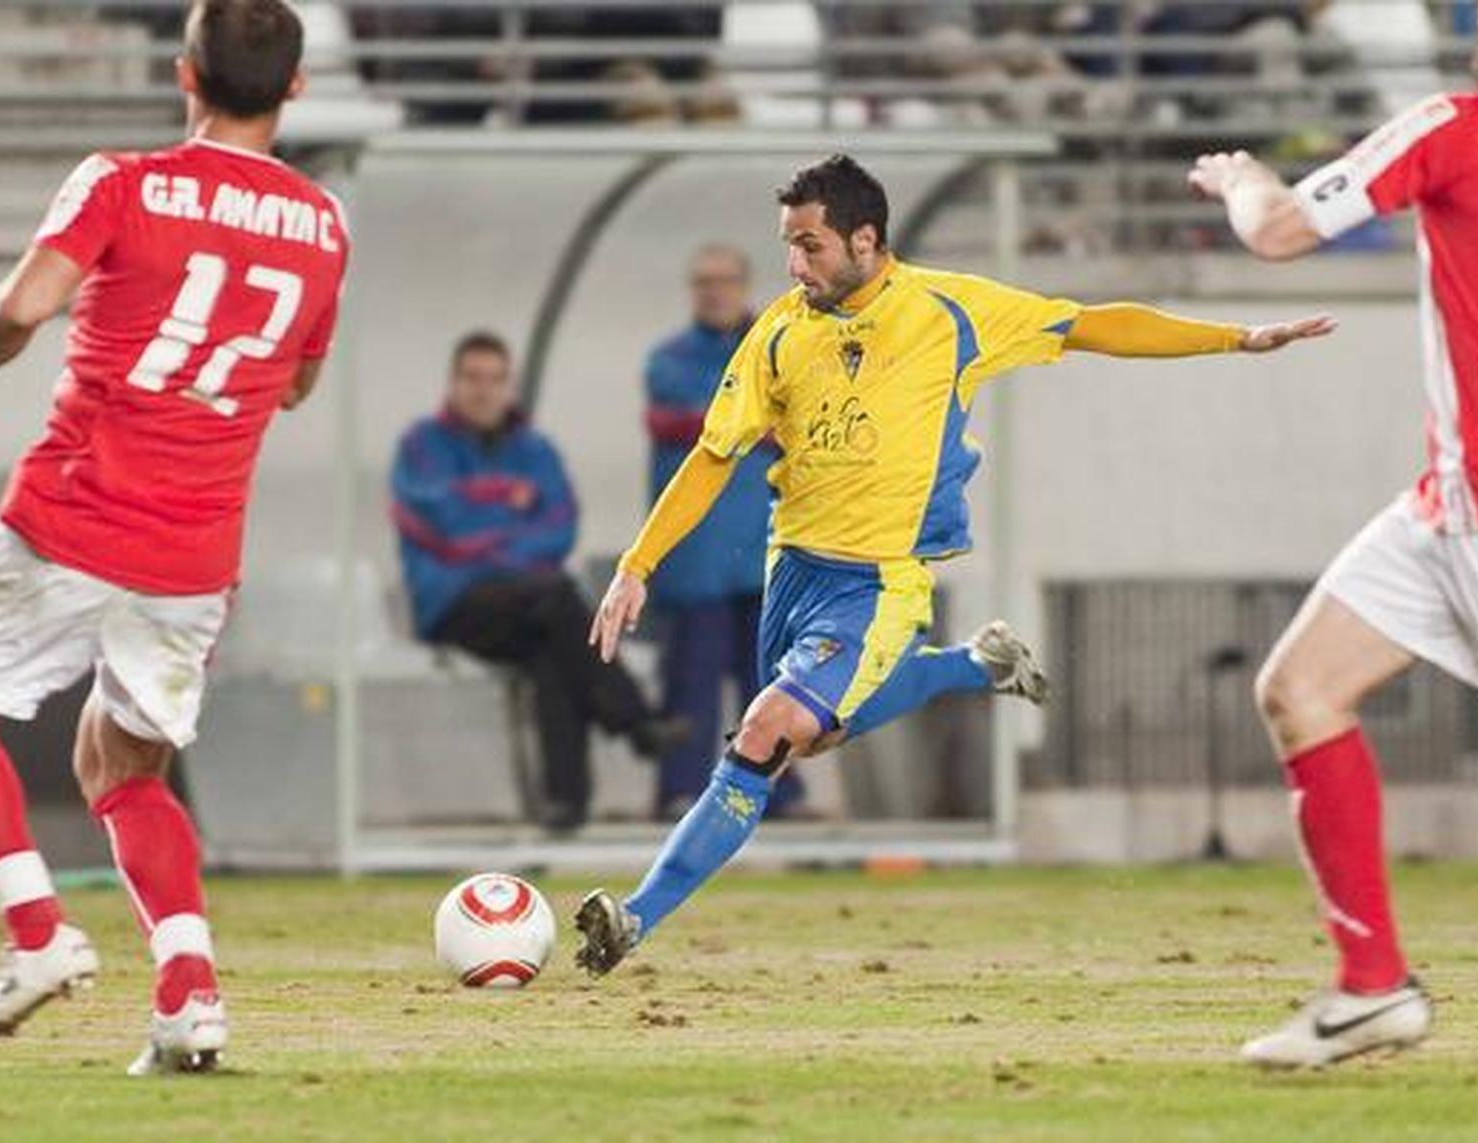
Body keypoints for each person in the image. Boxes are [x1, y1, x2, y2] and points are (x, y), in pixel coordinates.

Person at [574, 153, 1334, 977]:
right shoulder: (782, 330)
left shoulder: (951, 309)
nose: (795, 265)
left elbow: (1091, 324)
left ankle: (634, 916)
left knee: (766, 732)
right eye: (788, 246)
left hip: (881, 581)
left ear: (866, 239)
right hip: (791, 567)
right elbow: (714, 453)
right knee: (809, 737)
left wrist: (1234, 338)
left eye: (811, 245)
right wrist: (637, 564)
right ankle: (979, 663)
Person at [0, 0, 347, 1074]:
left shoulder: (121, 181)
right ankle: (189, 998)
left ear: (185, 74)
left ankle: (36, 933)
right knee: (122, 763)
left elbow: (25, 304)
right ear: (293, 89)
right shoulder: (325, 223)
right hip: (195, 554)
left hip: (75, 507)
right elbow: (294, 383)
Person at [1184, 0, 1478, 1072]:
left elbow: (1277, 232)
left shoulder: (1454, 127)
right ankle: (1371, 991)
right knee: (1300, 688)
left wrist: (1237, 177)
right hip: (1444, 508)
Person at [392, 331, 684, 834]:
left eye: (494, 380)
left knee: (553, 654)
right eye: (472, 379)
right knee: (558, 596)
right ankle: (633, 719)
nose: (483, 391)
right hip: (454, 602)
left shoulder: (536, 447)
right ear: (454, 383)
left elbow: (559, 527)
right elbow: (442, 527)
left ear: (509, 386)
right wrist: (508, 502)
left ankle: (564, 808)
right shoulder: (420, 446)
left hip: (530, 605)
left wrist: (485, 516)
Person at [643, 245, 804, 820]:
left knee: (774, 682)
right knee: (691, 682)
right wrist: (762, 422)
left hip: (767, 550)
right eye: (703, 281)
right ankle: (682, 793)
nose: (714, 291)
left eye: (724, 280)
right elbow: (715, 419)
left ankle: (777, 793)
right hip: (697, 557)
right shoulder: (669, 362)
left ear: (744, 284)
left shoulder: (780, 347)